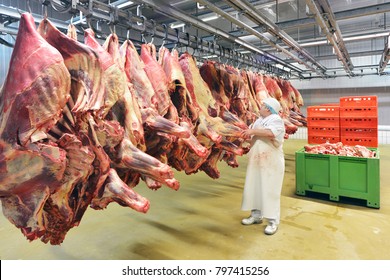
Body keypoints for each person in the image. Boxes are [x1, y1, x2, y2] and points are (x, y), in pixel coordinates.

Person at [240, 97, 286, 235]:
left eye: (261, 105)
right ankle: (256, 215)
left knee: (270, 190)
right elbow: (250, 135)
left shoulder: (275, 119)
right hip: (257, 160)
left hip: (271, 162)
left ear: (268, 108)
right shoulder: (259, 121)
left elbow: (270, 133)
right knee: (254, 187)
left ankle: (273, 221)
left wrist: (252, 132)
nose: (259, 107)